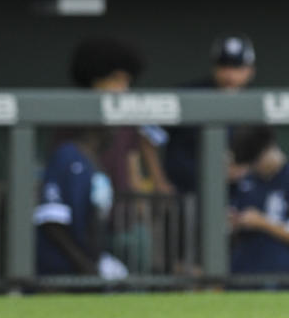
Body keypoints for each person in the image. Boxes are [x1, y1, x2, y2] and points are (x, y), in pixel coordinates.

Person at [69, 37, 173, 196]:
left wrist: (140, 206)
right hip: (84, 201)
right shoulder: (71, 117)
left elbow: (133, 167)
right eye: (115, 79)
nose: (123, 87)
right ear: (95, 78)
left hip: (120, 208)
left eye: (127, 81)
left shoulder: (128, 119)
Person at [163, 34, 257, 194]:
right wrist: (160, 182)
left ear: (250, 71)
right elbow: (149, 134)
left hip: (233, 196)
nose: (230, 75)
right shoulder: (189, 96)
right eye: (224, 66)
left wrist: (244, 166)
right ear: (214, 68)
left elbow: (263, 152)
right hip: (185, 192)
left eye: (237, 67)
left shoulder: (256, 104)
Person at [34, 127, 128, 280]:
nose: (114, 133)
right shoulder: (66, 156)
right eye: (110, 128)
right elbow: (51, 222)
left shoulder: (94, 161)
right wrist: (83, 263)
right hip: (58, 269)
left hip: (85, 263)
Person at [229, 126, 289, 274]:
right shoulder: (247, 180)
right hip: (244, 269)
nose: (255, 168)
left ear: (269, 150)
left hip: (280, 272)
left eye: (256, 162)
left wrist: (263, 222)